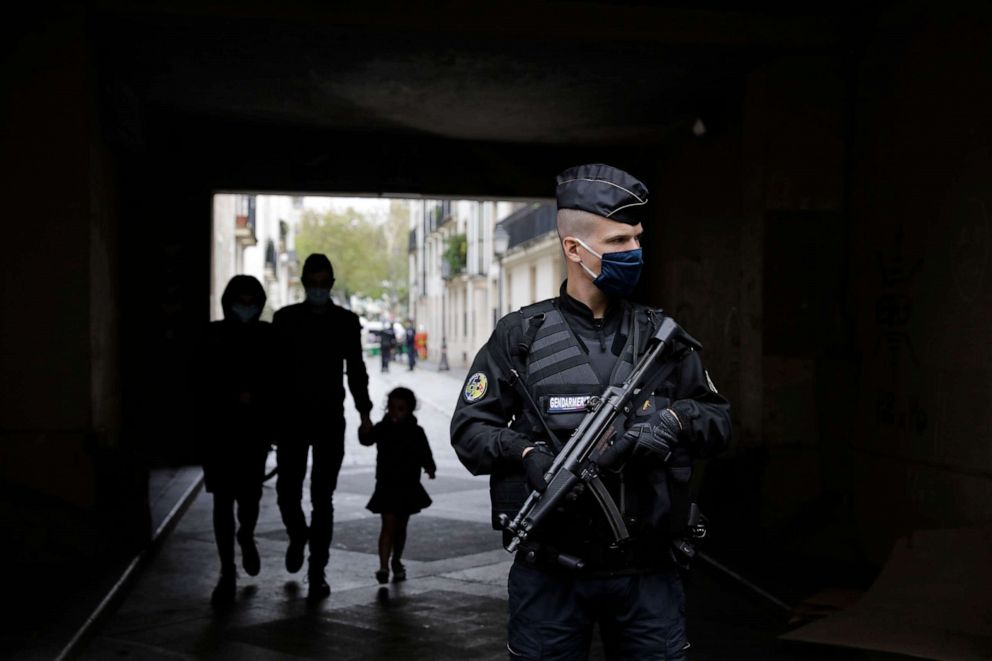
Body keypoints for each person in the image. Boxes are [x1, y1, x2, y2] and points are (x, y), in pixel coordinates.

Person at [450, 164, 732, 660]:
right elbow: (470, 429)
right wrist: (525, 453)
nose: (635, 252)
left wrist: (672, 423)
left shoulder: (660, 337)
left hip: (648, 573)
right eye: (619, 241)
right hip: (551, 576)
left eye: (637, 239)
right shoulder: (521, 337)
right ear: (574, 249)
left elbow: (719, 421)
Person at [273, 253, 373, 603]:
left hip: (330, 419)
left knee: (322, 499)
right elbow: (274, 374)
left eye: (323, 283)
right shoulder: (284, 320)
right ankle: (298, 536)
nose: (317, 288)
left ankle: (317, 571)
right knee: (286, 492)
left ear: (330, 284)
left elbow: (356, 370)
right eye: (312, 283)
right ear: (304, 283)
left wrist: (364, 414)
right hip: (290, 420)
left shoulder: (346, 322)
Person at [196, 275, 274, 607]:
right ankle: (227, 571)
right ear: (229, 303)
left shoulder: (268, 337)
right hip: (219, 433)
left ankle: (246, 534)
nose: (245, 308)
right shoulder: (211, 335)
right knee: (222, 501)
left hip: (254, 434)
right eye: (239, 301)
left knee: (250, 498)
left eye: (250, 301)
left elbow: (278, 381)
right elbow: (197, 380)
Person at [359, 387, 436, 584]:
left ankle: (396, 560)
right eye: (392, 408)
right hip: (387, 484)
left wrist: (429, 467)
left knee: (400, 527)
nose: (395, 412)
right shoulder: (383, 428)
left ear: (410, 409)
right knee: (388, 525)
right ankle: (384, 566)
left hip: (408, 485)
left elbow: (424, 452)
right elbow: (367, 439)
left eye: (400, 408)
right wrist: (364, 428)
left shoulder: (416, 432)